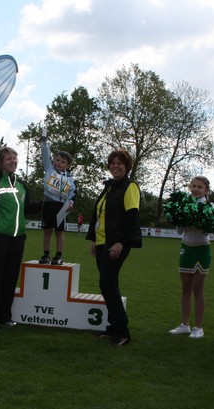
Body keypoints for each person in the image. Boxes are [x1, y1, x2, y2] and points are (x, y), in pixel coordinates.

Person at [0, 146, 41, 329]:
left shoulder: (21, 184)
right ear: (0, 163)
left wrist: (46, 203)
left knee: (10, 278)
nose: (13, 161)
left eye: (14, 158)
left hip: (18, 238)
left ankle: (5, 316)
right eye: (8, 159)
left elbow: (26, 208)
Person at [86, 149, 142, 346]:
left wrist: (120, 242)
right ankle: (113, 327)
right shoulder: (109, 186)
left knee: (108, 284)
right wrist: (94, 240)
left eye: (119, 163)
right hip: (103, 242)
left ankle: (122, 332)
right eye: (112, 163)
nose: (115, 166)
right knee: (108, 285)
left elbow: (131, 216)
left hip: (116, 243)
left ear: (127, 166)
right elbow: (99, 215)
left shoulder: (130, 186)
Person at [169, 176, 212, 339]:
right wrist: (183, 219)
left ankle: (198, 327)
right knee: (185, 287)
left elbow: (209, 231)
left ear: (206, 190)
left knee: (198, 289)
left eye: (199, 187)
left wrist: (200, 222)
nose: (195, 189)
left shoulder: (210, 207)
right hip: (186, 247)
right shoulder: (183, 205)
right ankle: (185, 324)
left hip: (202, 249)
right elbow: (179, 231)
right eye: (193, 186)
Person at [38, 130, 76, 266]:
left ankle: (58, 256)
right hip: (48, 203)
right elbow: (45, 154)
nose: (59, 163)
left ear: (68, 165)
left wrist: (71, 203)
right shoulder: (49, 169)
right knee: (47, 230)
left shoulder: (69, 179)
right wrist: (44, 142)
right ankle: (46, 254)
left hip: (61, 206)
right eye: (57, 160)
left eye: (63, 162)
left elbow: (73, 192)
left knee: (59, 232)